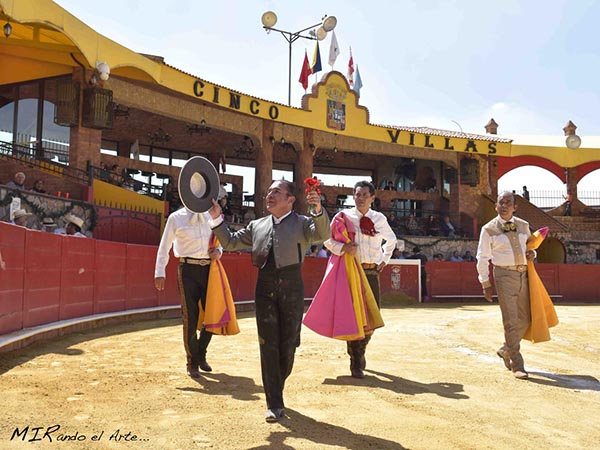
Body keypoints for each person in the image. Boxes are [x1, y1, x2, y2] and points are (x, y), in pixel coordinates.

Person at [208, 179, 330, 423]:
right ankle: (274, 401)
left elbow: (323, 234)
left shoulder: (303, 223)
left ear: (291, 200)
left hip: (292, 286)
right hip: (264, 286)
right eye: (268, 191)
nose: (269, 195)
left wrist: (317, 209)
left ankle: (277, 387)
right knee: (267, 343)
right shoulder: (257, 225)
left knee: (288, 344)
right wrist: (216, 219)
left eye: (276, 192)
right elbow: (230, 242)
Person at [322, 180, 396, 379]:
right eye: (357, 194)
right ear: (353, 196)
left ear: (373, 198)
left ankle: (359, 351)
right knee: (354, 317)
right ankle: (356, 359)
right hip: (352, 272)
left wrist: (384, 260)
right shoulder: (343, 217)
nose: (361, 198)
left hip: (371, 272)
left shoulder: (379, 218)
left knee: (372, 316)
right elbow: (327, 240)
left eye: (365, 194)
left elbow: (392, 240)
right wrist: (344, 248)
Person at [155, 207, 224, 379]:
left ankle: (200, 352)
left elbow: (221, 240)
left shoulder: (212, 215)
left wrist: (219, 252)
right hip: (187, 270)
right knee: (190, 316)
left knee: (213, 315)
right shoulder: (176, 217)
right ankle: (192, 361)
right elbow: (165, 245)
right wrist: (159, 271)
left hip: (210, 269)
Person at [476, 191, 536, 380]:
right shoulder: (488, 229)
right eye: (500, 202)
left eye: (507, 203)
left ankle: (505, 349)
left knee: (526, 319)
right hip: (503, 275)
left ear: (514, 207)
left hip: (524, 275)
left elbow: (531, 247)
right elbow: (482, 257)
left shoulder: (524, 225)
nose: (503, 205)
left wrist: (533, 255)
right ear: (496, 206)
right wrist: (485, 283)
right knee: (511, 320)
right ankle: (517, 364)